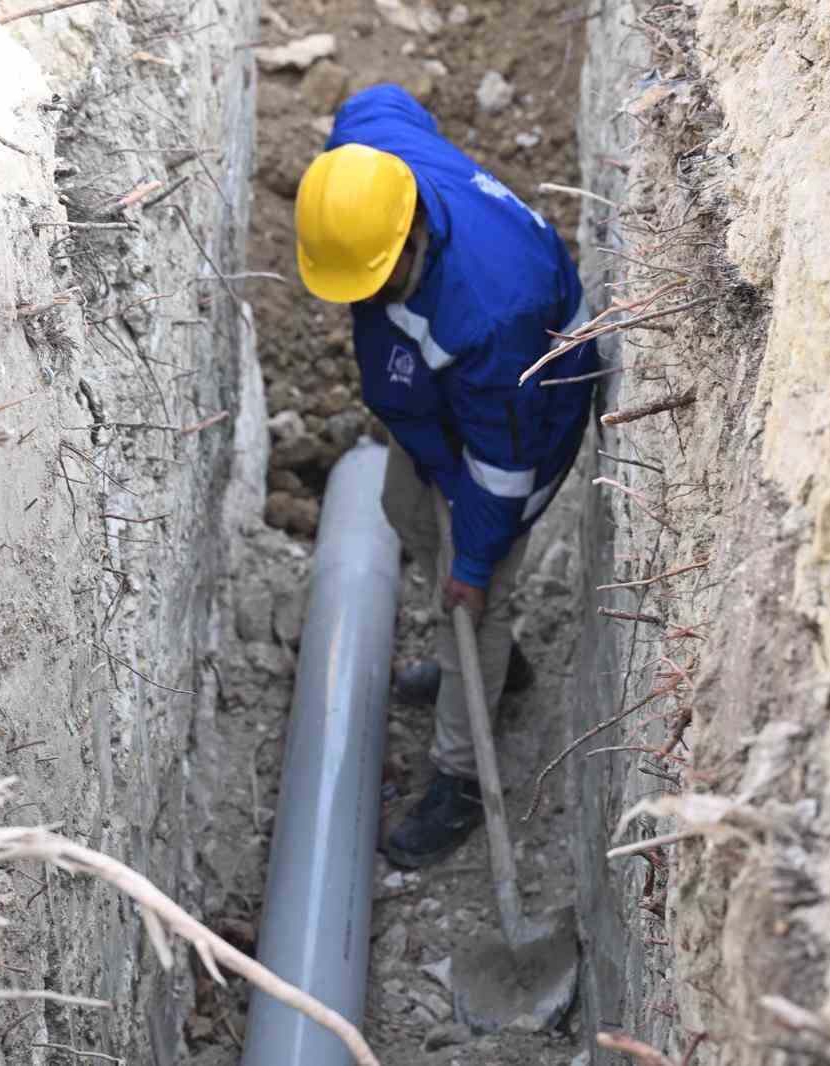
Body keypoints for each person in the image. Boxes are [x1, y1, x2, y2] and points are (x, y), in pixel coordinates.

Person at [293, 84, 596, 868]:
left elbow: (504, 467)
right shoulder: (366, 173)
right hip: (439, 397)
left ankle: (461, 774)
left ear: (411, 237)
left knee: (473, 598)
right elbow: (380, 100)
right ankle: (496, 670)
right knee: (405, 509)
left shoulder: (492, 316)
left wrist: (474, 567)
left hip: (523, 421)